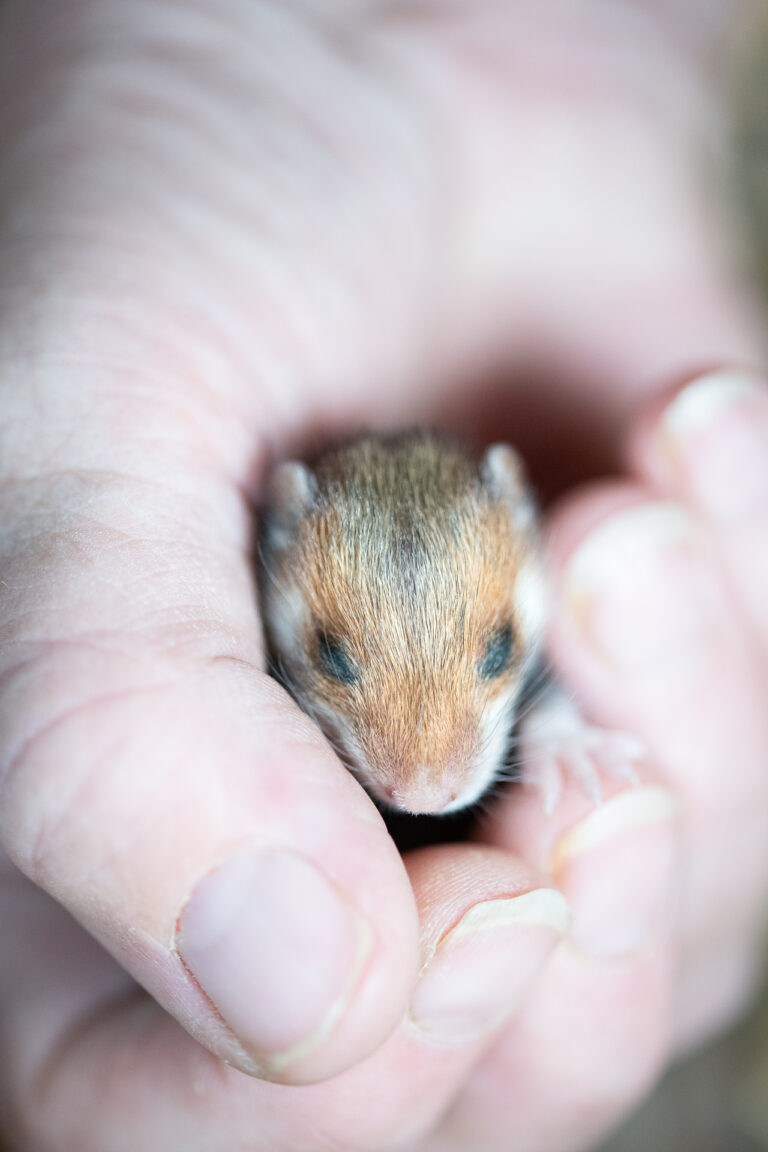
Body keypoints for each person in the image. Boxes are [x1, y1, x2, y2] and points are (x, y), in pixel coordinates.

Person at [1, 1, 766, 1148]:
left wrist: (558, 737)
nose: (430, 763)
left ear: (521, 538)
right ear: (273, 550)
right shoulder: (240, 580)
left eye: (495, 655)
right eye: (339, 659)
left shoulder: (535, 530)